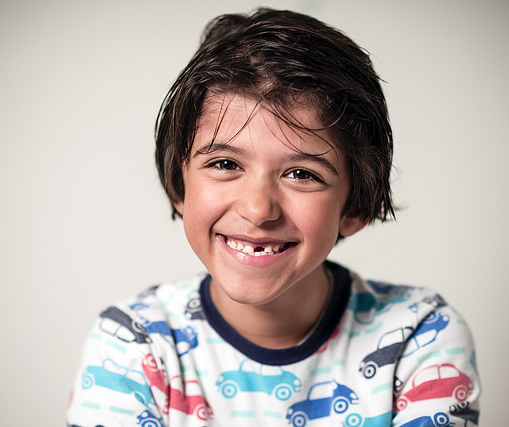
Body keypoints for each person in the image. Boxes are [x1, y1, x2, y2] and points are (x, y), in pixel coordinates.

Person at [66, 8, 480, 427]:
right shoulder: (133, 344)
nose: (258, 208)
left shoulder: (418, 337)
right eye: (225, 164)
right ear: (179, 187)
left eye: (302, 174)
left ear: (355, 208)